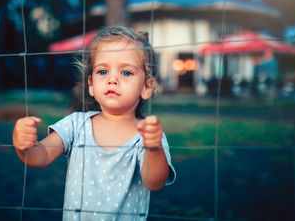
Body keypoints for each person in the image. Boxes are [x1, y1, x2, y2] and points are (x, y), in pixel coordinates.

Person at [13, 26, 176, 220]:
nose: (112, 79)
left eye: (126, 73)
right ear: (91, 84)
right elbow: (40, 157)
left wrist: (153, 149)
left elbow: (154, 182)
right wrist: (23, 146)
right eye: (103, 71)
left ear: (147, 87)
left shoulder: (148, 135)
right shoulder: (75, 125)